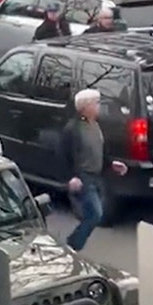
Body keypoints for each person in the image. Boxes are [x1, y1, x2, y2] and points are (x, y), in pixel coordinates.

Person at [61, 89, 129, 251]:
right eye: (96, 103)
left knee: (92, 214)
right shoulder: (73, 128)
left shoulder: (96, 126)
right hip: (83, 177)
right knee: (95, 214)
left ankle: (73, 244)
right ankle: (72, 245)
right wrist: (71, 177)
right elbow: (64, 154)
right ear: (85, 106)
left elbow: (100, 152)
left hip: (97, 176)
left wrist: (112, 164)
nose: (99, 106)